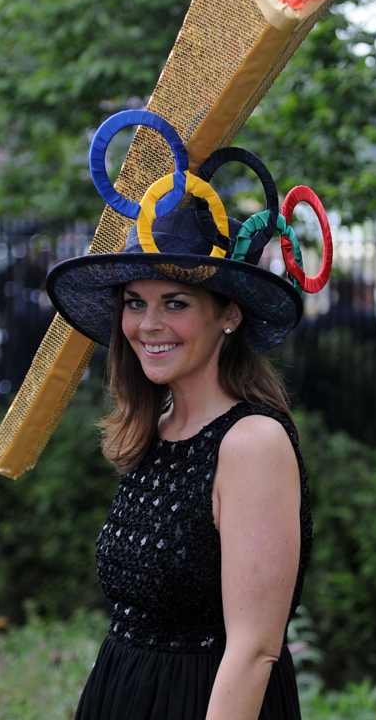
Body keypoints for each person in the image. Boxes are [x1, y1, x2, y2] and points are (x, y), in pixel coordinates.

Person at [47, 193, 313, 720]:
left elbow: (255, 649)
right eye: (135, 302)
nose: (148, 324)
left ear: (229, 314)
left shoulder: (251, 442)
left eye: (176, 302)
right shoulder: (157, 427)